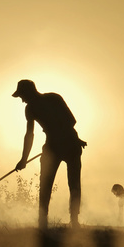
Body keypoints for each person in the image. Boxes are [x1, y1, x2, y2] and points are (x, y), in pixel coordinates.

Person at [12, 79, 87, 229]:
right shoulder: (31, 108)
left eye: (22, 96)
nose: (22, 100)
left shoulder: (53, 98)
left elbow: (70, 121)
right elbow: (30, 135)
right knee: (48, 184)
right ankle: (43, 220)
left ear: (29, 91)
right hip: (57, 145)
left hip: (67, 144)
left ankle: (73, 219)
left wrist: (67, 138)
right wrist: (23, 159)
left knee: (72, 184)